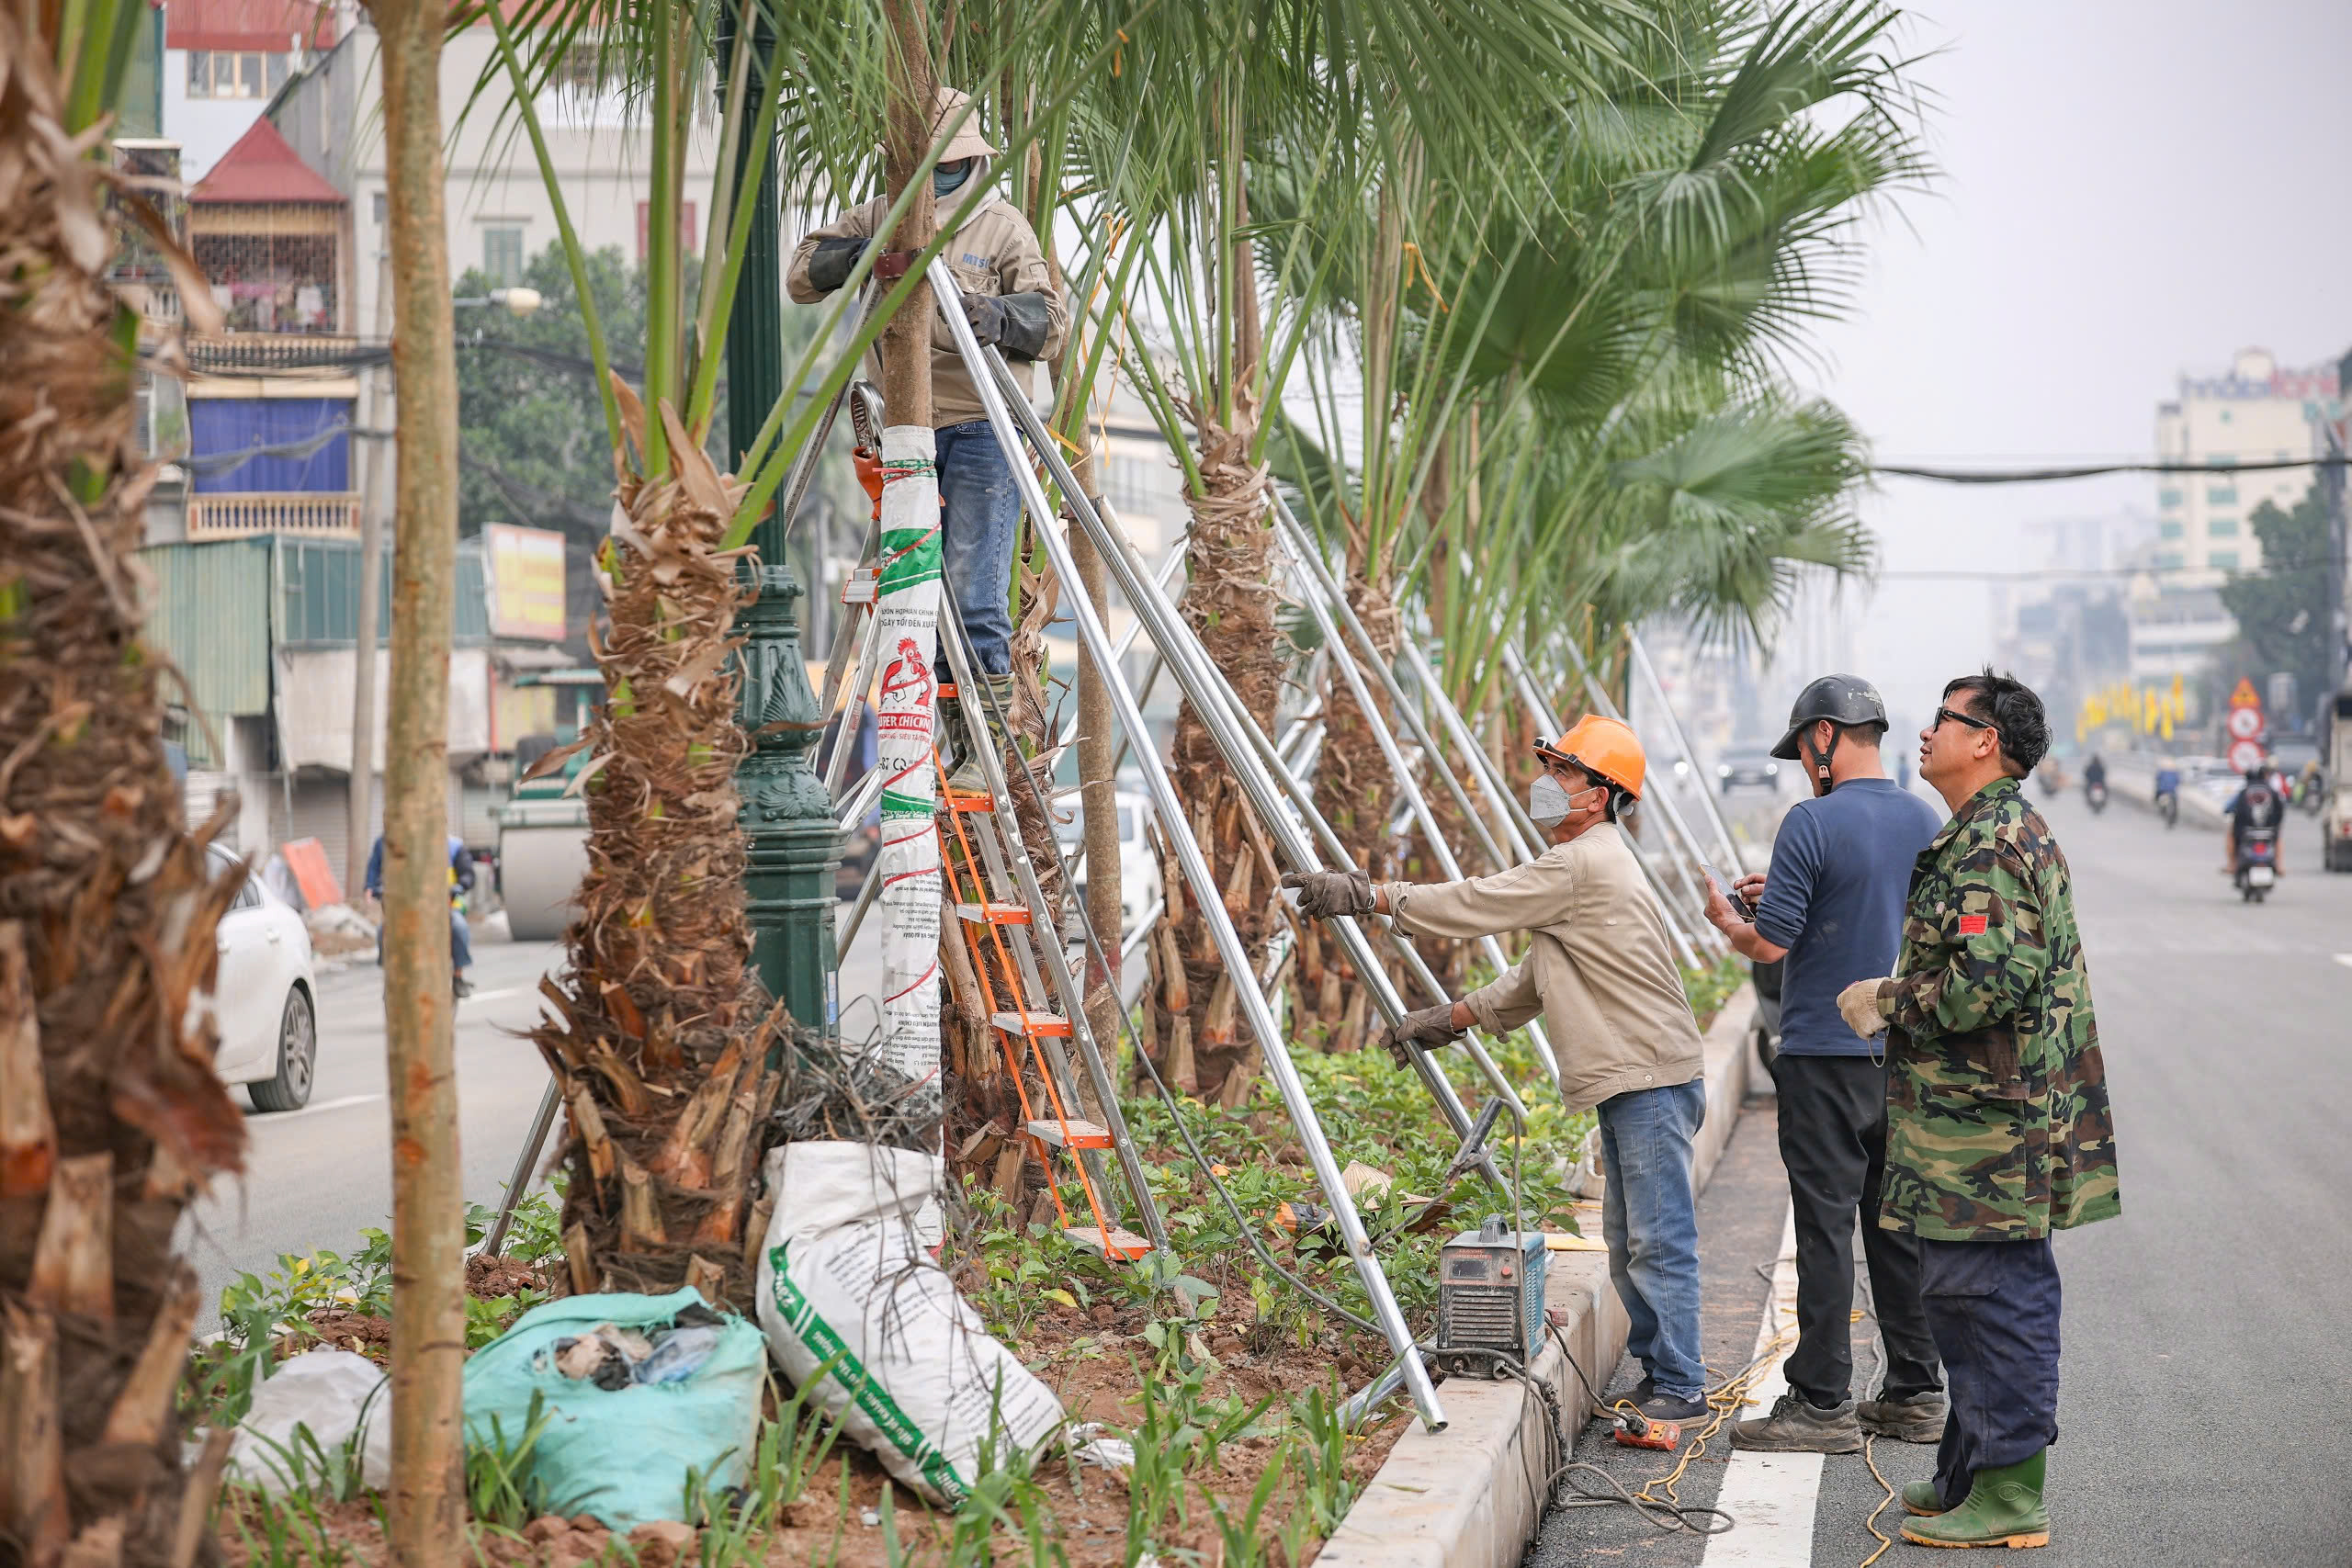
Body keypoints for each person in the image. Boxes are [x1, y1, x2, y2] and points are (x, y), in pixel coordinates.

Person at [1282, 716, 1711, 1427]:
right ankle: (1664, 1373)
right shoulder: (1585, 864)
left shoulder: (1581, 863)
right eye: (1550, 768)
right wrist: (1451, 1018)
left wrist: (1372, 896)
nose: (1547, 783)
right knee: (1631, 1237)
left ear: (1602, 795)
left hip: (1649, 1078)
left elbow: (1478, 901)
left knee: (1656, 1240)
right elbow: (1538, 976)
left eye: (1565, 772)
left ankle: (1683, 1384)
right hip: (1639, 1076)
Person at [1834, 668, 2120, 1550]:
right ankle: (1970, 1468)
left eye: (1943, 719)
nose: (1925, 733)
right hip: (1968, 1130)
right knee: (1961, 1299)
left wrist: (1885, 1000)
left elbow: (1986, 986)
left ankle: (2012, 1492)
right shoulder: (1981, 832)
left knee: (1994, 1302)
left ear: (1985, 740)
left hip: (1991, 1134)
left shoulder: (1994, 844)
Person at [787, 86, 1069, 789]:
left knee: (975, 597)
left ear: (969, 161)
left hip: (980, 426)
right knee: (918, 600)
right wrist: (866, 253)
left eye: (946, 164)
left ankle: (981, 750)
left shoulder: (1001, 228)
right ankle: (946, 733)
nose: (936, 176)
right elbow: (801, 274)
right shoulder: (876, 214)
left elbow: (1053, 321)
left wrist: (999, 317)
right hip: (905, 431)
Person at [1702, 676, 1947, 1454]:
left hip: (1822, 1056)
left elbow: (1770, 945)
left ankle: (1821, 1403)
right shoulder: (1925, 819)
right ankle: (1916, 1391)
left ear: (1824, 737)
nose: (1806, 766)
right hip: (1901, 1054)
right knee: (1896, 1226)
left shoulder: (1810, 821)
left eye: (1803, 750)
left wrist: (1729, 921)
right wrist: (1786, 893)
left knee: (1825, 1229)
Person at [366, 832, 476, 998]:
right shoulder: (393, 846)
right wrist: (374, 888)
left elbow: (468, 873)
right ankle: (390, 976)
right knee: (384, 931)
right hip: (406, 908)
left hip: (444, 907)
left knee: (458, 928)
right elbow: (376, 871)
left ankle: (457, 975)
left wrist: (461, 885)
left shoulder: (453, 846)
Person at [2222, 762, 2284, 875]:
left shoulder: (2244, 791)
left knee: (2231, 835)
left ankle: (2232, 864)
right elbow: (2280, 809)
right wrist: (2275, 824)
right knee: (2278, 838)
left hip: (2245, 830)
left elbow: (2228, 808)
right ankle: (2279, 866)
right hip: (2269, 830)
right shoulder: (2271, 790)